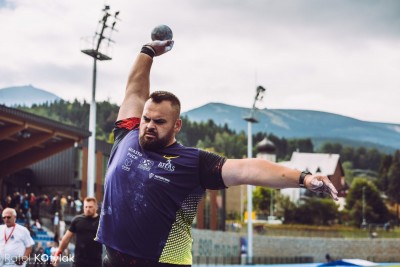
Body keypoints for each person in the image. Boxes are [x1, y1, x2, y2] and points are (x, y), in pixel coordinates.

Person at [95, 38, 339, 267]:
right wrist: (148, 51)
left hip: (164, 261)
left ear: (176, 125)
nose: (149, 125)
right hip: (112, 258)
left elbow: (247, 169)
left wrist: (305, 178)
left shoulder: (192, 162)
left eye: (159, 122)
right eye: (146, 119)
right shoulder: (126, 135)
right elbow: (135, 91)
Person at [52, 197, 102, 267]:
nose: (88, 209)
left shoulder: (101, 221)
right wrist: (58, 254)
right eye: (86, 207)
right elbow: (66, 238)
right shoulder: (77, 220)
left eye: (90, 207)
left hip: (95, 262)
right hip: (79, 261)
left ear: (96, 207)